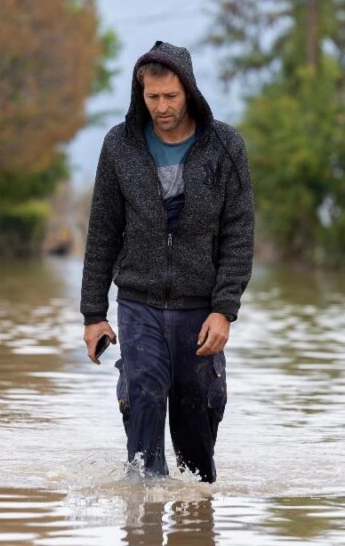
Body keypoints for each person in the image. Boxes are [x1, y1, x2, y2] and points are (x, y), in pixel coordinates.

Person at [80, 40, 254, 483]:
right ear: (140, 94)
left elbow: (239, 233)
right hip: (139, 302)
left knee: (197, 433)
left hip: (200, 307)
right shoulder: (119, 146)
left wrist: (224, 309)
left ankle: (197, 522)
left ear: (189, 92)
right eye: (152, 97)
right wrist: (93, 315)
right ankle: (142, 514)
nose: (161, 106)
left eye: (170, 97)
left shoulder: (225, 146)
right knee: (143, 400)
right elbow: (102, 231)